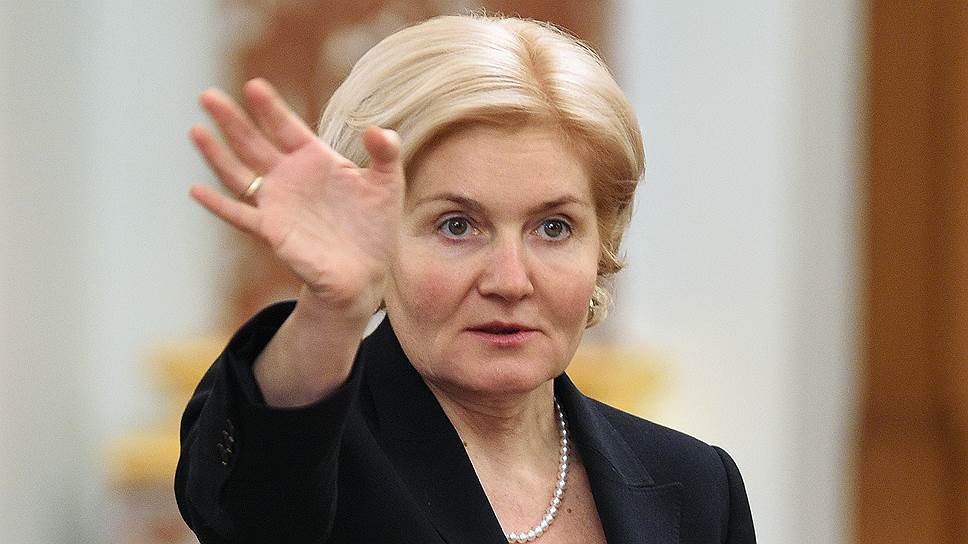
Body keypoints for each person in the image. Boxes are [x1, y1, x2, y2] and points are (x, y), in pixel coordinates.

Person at [175, 14, 756, 544]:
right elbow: (254, 501)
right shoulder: (317, 462)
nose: (510, 281)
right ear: (374, 239)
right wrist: (332, 308)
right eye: (457, 226)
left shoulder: (697, 484)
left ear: (601, 244)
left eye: (553, 228)